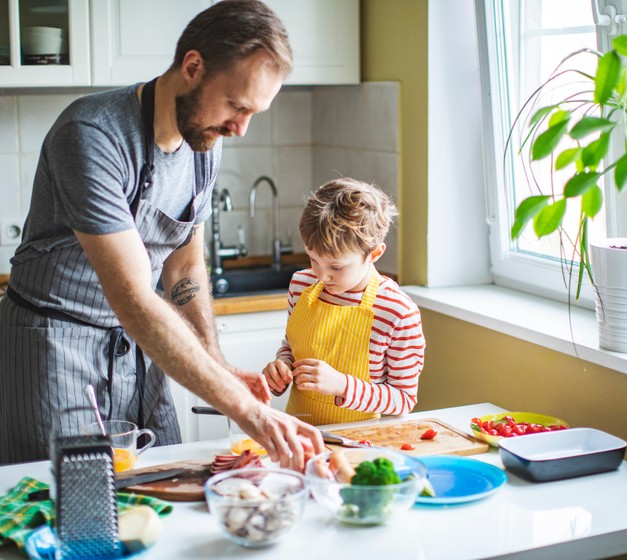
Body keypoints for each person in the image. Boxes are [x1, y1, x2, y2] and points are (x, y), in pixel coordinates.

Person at [0, 0, 323, 469]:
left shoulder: (203, 145)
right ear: (193, 66)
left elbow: (184, 265)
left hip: (137, 348)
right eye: (236, 105)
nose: (241, 128)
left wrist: (217, 364)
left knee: (163, 484)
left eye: (254, 112)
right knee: (65, 504)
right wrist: (246, 409)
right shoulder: (91, 134)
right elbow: (133, 297)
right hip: (55, 346)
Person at [263, 178, 426, 425]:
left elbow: (403, 398)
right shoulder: (301, 285)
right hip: (300, 433)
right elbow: (291, 345)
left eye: (336, 266)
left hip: (362, 441)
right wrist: (282, 365)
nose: (321, 275)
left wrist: (342, 386)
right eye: (313, 259)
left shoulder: (398, 311)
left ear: (374, 254)